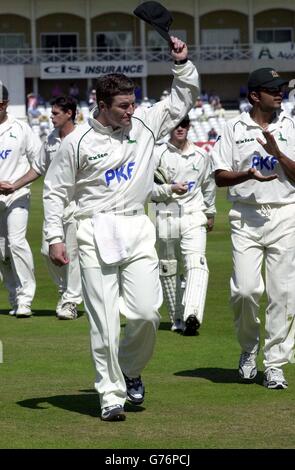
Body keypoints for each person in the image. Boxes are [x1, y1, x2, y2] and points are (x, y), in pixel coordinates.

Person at [42, 36, 199, 421]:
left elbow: (182, 100)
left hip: (137, 227)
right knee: (104, 320)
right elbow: (54, 191)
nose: (131, 111)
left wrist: (181, 63)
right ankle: (109, 394)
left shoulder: (144, 121)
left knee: (147, 315)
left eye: (133, 103)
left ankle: (129, 368)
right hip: (94, 230)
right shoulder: (76, 143)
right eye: (123, 106)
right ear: (101, 105)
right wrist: (54, 237)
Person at [212, 67, 295, 390]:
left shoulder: (291, 125)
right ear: (253, 96)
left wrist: (278, 154)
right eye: (272, 89)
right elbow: (219, 176)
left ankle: (275, 364)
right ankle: (249, 348)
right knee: (245, 291)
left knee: (283, 293)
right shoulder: (233, 128)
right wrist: (247, 175)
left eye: (282, 89)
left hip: (286, 213)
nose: (280, 93)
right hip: (245, 216)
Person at [0, 96, 82, 320]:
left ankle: (71, 300)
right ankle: (64, 290)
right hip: (55, 204)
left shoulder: (83, 138)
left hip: (79, 204)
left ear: (69, 113)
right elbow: (37, 168)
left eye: (56, 113)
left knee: (72, 254)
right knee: (48, 251)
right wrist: (13, 186)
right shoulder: (52, 139)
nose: (51, 117)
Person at [152, 116, 216, 335]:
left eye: (184, 125)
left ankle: (193, 314)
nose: (180, 128)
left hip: (193, 214)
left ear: (189, 127)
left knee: (195, 262)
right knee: (168, 266)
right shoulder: (156, 154)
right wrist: (169, 189)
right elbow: (145, 190)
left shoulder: (201, 155)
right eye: (176, 125)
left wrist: (210, 212)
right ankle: (177, 318)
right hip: (164, 214)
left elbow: (208, 186)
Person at [0, 84, 41, 317]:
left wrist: (15, 185)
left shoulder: (21, 129)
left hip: (17, 195)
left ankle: (25, 299)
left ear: (4, 104)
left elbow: (38, 164)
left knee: (16, 242)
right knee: (1, 251)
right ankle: (14, 296)